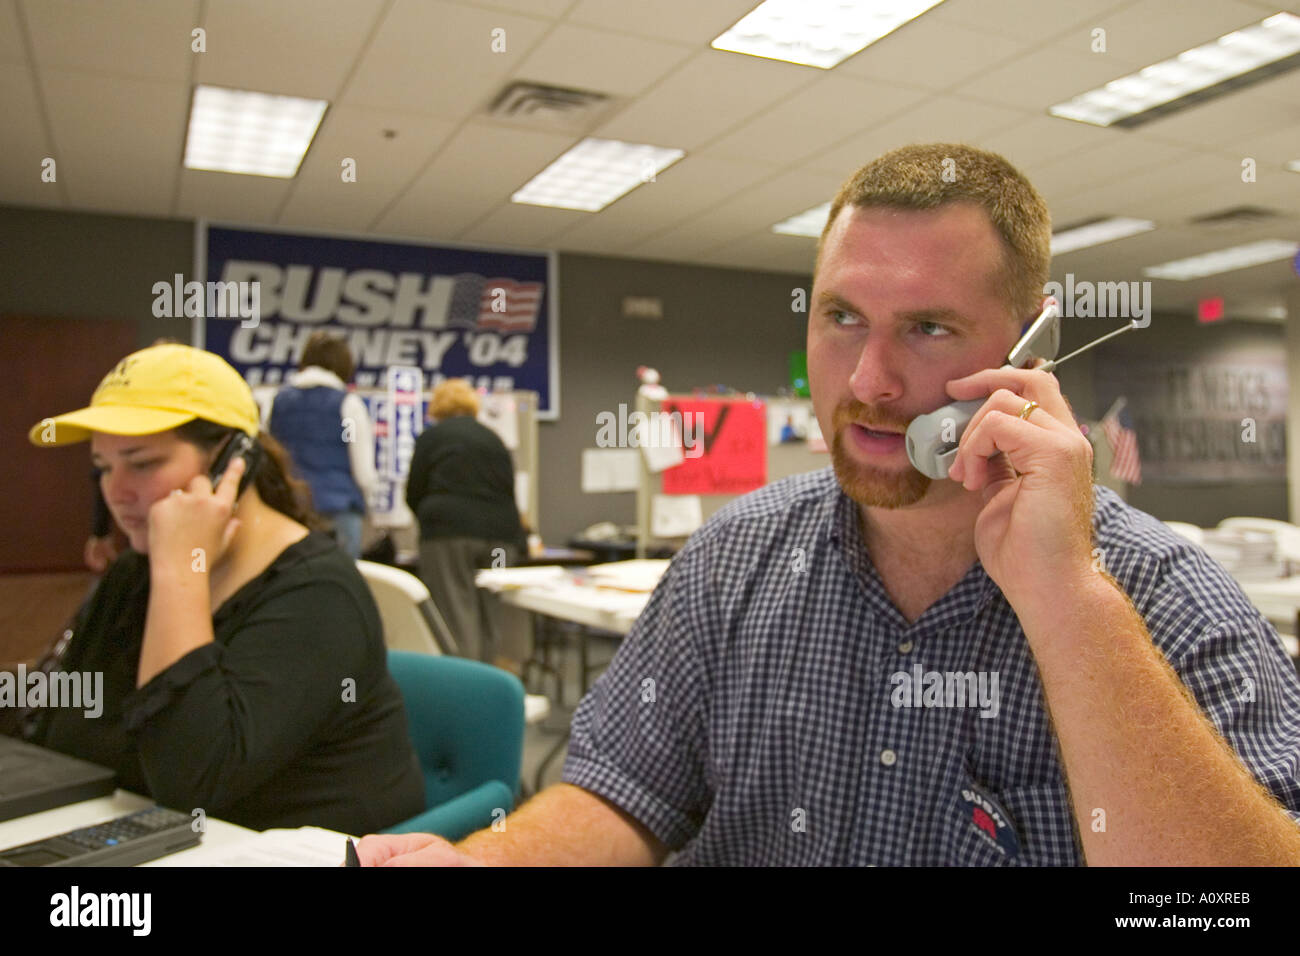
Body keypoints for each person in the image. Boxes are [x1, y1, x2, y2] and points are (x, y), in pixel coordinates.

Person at [358, 143, 1300, 866]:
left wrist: (1072, 609)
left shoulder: (1166, 600)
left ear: (1028, 348)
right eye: (842, 318)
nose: (871, 380)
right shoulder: (736, 561)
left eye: (928, 329)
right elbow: (619, 793)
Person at [20, 344, 424, 835]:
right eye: (103, 468)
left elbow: (192, 784)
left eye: (142, 463)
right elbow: (62, 732)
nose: (116, 491)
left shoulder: (320, 595)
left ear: (232, 461)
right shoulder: (133, 575)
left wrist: (181, 572)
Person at [405, 379, 525, 664]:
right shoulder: (493, 438)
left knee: (456, 614)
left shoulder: (432, 438)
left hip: (449, 534)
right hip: (500, 535)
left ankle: (467, 688)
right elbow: (508, 490)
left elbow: (414, 491)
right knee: (491, 612)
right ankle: (494, 682)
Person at [267, 331, 377, 560]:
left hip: (292, 507)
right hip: (338, 509)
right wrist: (373, 507)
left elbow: (270, 453)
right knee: (342, 583)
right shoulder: (348, 405)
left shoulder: (277, 402)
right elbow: (362, 468)